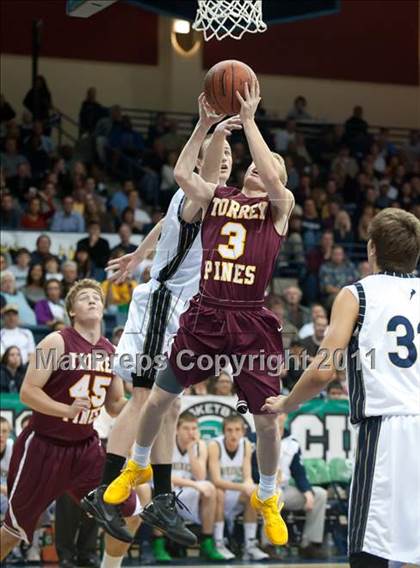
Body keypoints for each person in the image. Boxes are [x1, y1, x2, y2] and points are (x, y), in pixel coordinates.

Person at [107, 83, 294, 548]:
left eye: (265, 168)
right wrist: (205, 125)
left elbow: (272, 176)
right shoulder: (218, 197)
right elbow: (180, 174)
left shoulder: (279, 206)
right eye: (252, 167)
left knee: (268, 418)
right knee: (158, 397)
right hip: (206, 312)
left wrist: (250, 121)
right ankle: (137, 464)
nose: (257, 171)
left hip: (250, 320)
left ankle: (268, 497)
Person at [82, 114, 240, 553]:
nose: (223, 160)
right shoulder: (199, 194)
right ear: (204, 158)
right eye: (217, 154)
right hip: (164, 306)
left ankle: (163, 498)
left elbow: (168, 223)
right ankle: (104, 490)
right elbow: (186, 180)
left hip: (182, 311)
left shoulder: (201, 198)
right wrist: (212, 129)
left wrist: (139, 253)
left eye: (229, 154)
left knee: (170, 407)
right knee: (143, 400)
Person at [262, 208, 420, 567]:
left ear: (371, 249)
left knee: (371, 547)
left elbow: (323, 372)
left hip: (386, 428)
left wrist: (288, 401)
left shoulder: (357, 294)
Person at [0, 279, 141, 565]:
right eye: (84, 298)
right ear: (72, 311)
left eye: (96, 298)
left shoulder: (110, 351)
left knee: (131, 513)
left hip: (86, 448)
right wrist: (64, 407)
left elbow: (114, 406)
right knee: (14, 530)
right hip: (43, 446)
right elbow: (27, 392)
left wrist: (145, 402)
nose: (92, 300)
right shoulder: (56, 341)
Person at [208, 415, 269, 561]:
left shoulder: (246, 444)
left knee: (253, 494)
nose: (233, 434)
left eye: (237, 430)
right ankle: (219, 543)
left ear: (243, 432)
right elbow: (216, 480)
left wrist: (249, 486)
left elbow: (247, 476)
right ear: (223, 432)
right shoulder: (214, 445)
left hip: (235, 492)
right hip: (216, 494)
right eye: (229, 430)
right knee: (219, 492)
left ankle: (250, 545)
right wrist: (243, 486)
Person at [169, 412, 224, 561]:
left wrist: (191, 451)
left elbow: (200, 476)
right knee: (159, 491)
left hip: (187, 490)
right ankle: (159, 545)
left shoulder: (200, 446)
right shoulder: (167, 443)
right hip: (167, 489)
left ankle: (207, 541)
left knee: (210, 489)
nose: (191, 433)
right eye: (186, 428)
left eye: (194, 428)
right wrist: (193, 484)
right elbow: (163, 476)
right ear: (177, 429)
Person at [277, 414, 327, 559]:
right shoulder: (255, 438)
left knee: (319, 494)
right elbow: (252, 469)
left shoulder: (292, 442)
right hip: (262, 488)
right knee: (275, 495)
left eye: (280, 413)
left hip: (285, 489)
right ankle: (269, 544)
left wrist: (307, 492)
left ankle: (309, 544)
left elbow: (299, 472)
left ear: (285, 416)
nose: (277, 416)